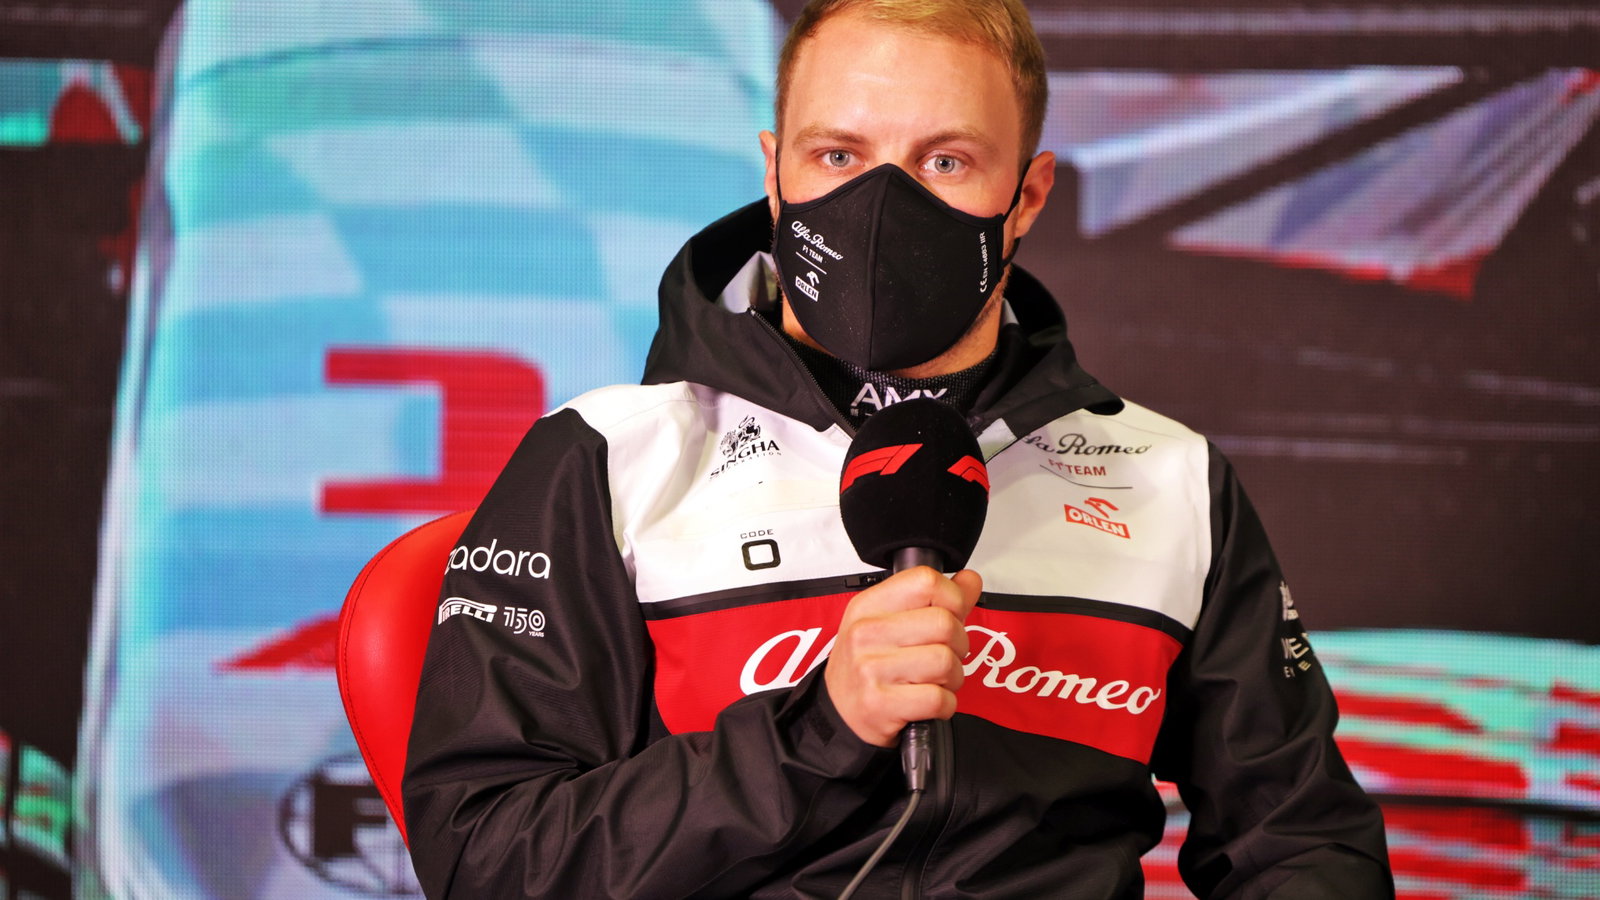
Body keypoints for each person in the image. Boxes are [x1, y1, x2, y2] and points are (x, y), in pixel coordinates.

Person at [401, 1, 1395, 897]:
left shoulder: (1167, 477)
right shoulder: (610, 455)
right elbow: (484, 856)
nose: (880, 206)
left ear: (1029, 195)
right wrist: (819, 730)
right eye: (837, 155)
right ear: (774, 172)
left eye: (945, 161)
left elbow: (1298, 838)